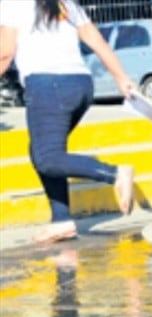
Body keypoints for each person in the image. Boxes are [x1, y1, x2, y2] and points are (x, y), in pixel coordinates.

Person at [0, 0, 136, 244]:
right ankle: (61, 221)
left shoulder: (12, 4)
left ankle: (115, 173)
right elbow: (97, 42)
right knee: (41, 151)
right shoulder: (66, 3)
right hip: (81, 85)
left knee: (48, 158)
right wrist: (121, 77)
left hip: (48, 86)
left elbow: (4, 54)